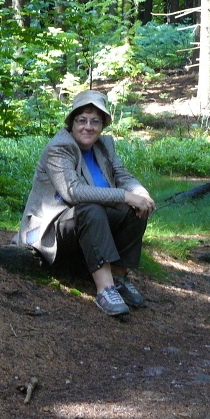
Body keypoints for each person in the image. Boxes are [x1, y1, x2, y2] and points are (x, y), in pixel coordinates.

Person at [18, 90, 156, 317]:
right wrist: (125, 195)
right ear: (72, 123)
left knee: (134, 211)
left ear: (103, 125)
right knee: (90, 208)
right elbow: (73, 192)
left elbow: (123, 175)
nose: (88, 127)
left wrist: (141, 194)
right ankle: (105, 289)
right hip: (53, 227)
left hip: (90, 223)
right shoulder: (59, 148)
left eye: (95, 121)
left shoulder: (104, 146)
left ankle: (118, 276)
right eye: (82, 120)